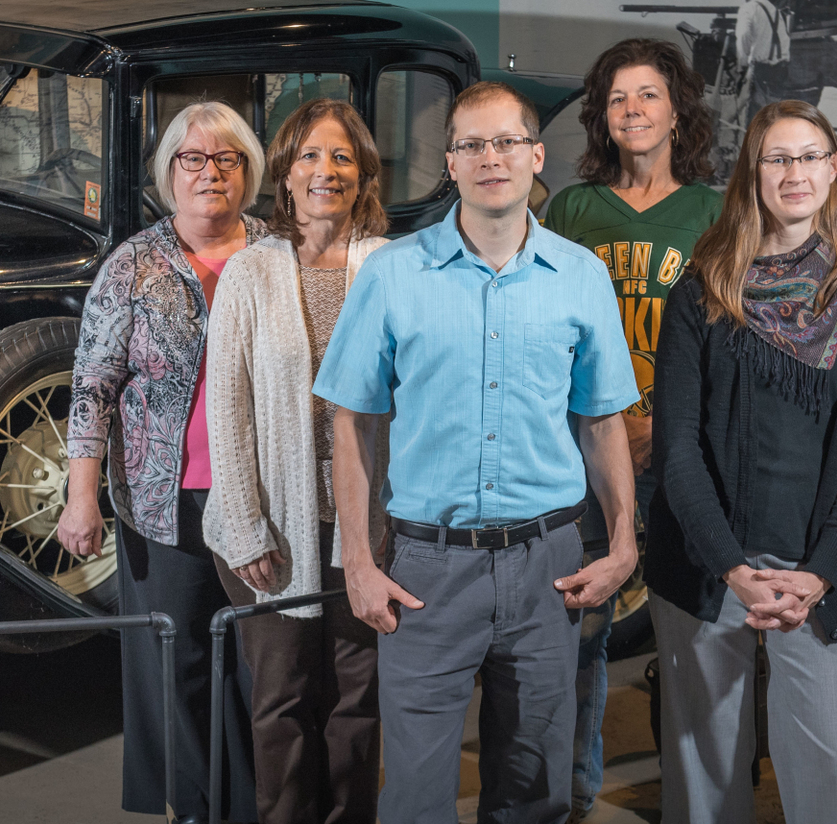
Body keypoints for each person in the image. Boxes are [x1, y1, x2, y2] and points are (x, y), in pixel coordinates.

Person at [313, 81, 641, 824]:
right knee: (418, 798)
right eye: (471, 145)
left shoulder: (582, 279)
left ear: (534, 155)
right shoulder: (394, 274)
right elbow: (351, 422)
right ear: (451, 165)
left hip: (549, 566)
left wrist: (623, 541)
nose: (490, 157)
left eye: (505, 142)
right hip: (428, 569)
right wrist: (358, 564)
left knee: (533, 794)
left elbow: (602, 422)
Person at [646, 99, 837, 824]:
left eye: (810, 156)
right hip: (705, 563)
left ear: (833, 169)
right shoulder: (703, 290)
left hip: (815, 573)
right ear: (751, 174)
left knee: (834, 774)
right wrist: (730, 565)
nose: (796, 173)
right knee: (704, 780)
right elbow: (678, 448)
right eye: (777, 158)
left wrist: (820, 571)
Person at [61, 101, 266, 824]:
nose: (210, 174)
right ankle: (197, 806)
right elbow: (93, 385)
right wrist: (79, 497)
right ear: (169, 171)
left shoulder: (275, 252)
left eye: (226, 160)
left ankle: (251, 809)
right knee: (175, 667)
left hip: (261, 500)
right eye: (194, 160)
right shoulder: (134, 265)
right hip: (162, 501)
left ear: (248, 171)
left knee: (256, 665)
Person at [541, 36, 723, 820]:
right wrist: (604, 424)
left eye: (648, 94)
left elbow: (728, 340)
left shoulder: (715, 212)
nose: (633, 110)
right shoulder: (573, 211)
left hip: (683, 447)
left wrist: (665, 423)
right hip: (585, 444)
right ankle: (575, 793)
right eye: (618, 99)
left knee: (695, 628)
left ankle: (700, 795)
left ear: (676, 108)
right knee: (579, 625)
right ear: (601, 118)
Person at [202, 98, 391, 824]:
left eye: (342, 157)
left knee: (357, 699)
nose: (326, 170)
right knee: (279, 702)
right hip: (272, 532)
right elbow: (228, 407)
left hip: (365, 526)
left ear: (363, 173)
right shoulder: (251, 272)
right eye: (310, 156)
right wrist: (246, 527)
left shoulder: (390, 266)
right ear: (283, 174)